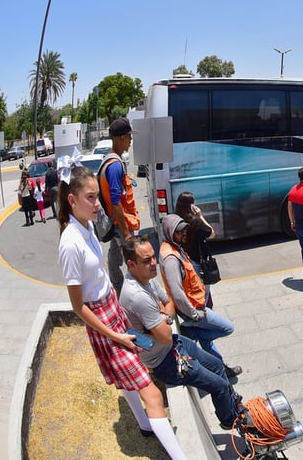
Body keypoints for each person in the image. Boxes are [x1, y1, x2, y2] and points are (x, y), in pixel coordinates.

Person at [56, 165, 189, 460]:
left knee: (136, 381)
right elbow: (78, 307)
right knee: (152, 394)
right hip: (102, 320)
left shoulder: (87, 226)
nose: (97, 204)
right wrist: (114, 333)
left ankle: (145, 425)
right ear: (72, 200)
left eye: (97, 197)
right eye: (90, 198)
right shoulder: (69, 243)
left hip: (112, 308)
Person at [119, 237, 240, 429]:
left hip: (174, 344)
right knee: (219, 385)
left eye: (153, 257)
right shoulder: (138, 297)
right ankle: (229, 421)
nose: (153, 264)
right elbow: (164, 335)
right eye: (146, 260)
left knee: (217, 365)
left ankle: (232, 405)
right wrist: (162, 321)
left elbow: (169, 303)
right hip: (166, 362)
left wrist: (162, 318)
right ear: (131, 264)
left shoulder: (146, 280)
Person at [160, 213, 242, 379]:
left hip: (196, 304)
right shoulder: (170, 259)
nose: (184, 234)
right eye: (179, 231)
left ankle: (221, 369)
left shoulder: (175, 248)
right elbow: (177, 293)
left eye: (185, 230)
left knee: (207, 343)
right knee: (227, 327)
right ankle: (192, 333)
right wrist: (194, 315)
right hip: (193, 309)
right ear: (170, 232)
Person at [99, 118, 140, 293]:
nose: (131, 141)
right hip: (121, 225)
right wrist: (126, 234)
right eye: (130, 137)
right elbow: (116, 202)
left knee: (114, 258)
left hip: (116, 223)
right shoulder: (115, 166)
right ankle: (136, 292)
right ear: (122, 137)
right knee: (135, 260)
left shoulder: (109, 159)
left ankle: (118, 288)